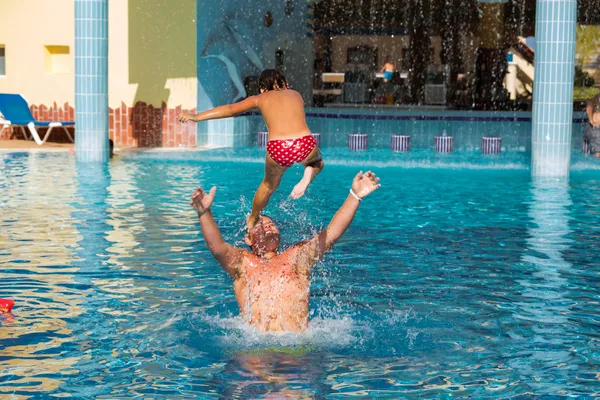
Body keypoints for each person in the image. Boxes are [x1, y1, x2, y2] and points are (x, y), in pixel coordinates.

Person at [190, 171, 381, 333]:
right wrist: (204, 213)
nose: (268, 223)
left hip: (296, 350)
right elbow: (217, 247)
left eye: (271, 221)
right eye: (260, 222)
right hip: (255, 351)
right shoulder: (241, 262)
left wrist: (354, 196)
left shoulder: (297, 257)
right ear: (248, 238)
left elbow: (330, 235)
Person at [179, 69, 324, 230]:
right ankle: (306, 177)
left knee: (268, 185)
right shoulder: (296, 94)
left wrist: (197, 117)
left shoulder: (259, 98)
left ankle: (253, 218)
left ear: (262, 89)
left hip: (278, 147)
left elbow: (231, 109)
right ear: (285, 84)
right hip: (303, 142)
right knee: (317, 163)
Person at [585, 93, 600, 157]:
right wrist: (592, 121)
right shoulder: (596, 97)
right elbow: (589, 107)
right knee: (598, 152)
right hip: (595, 128)